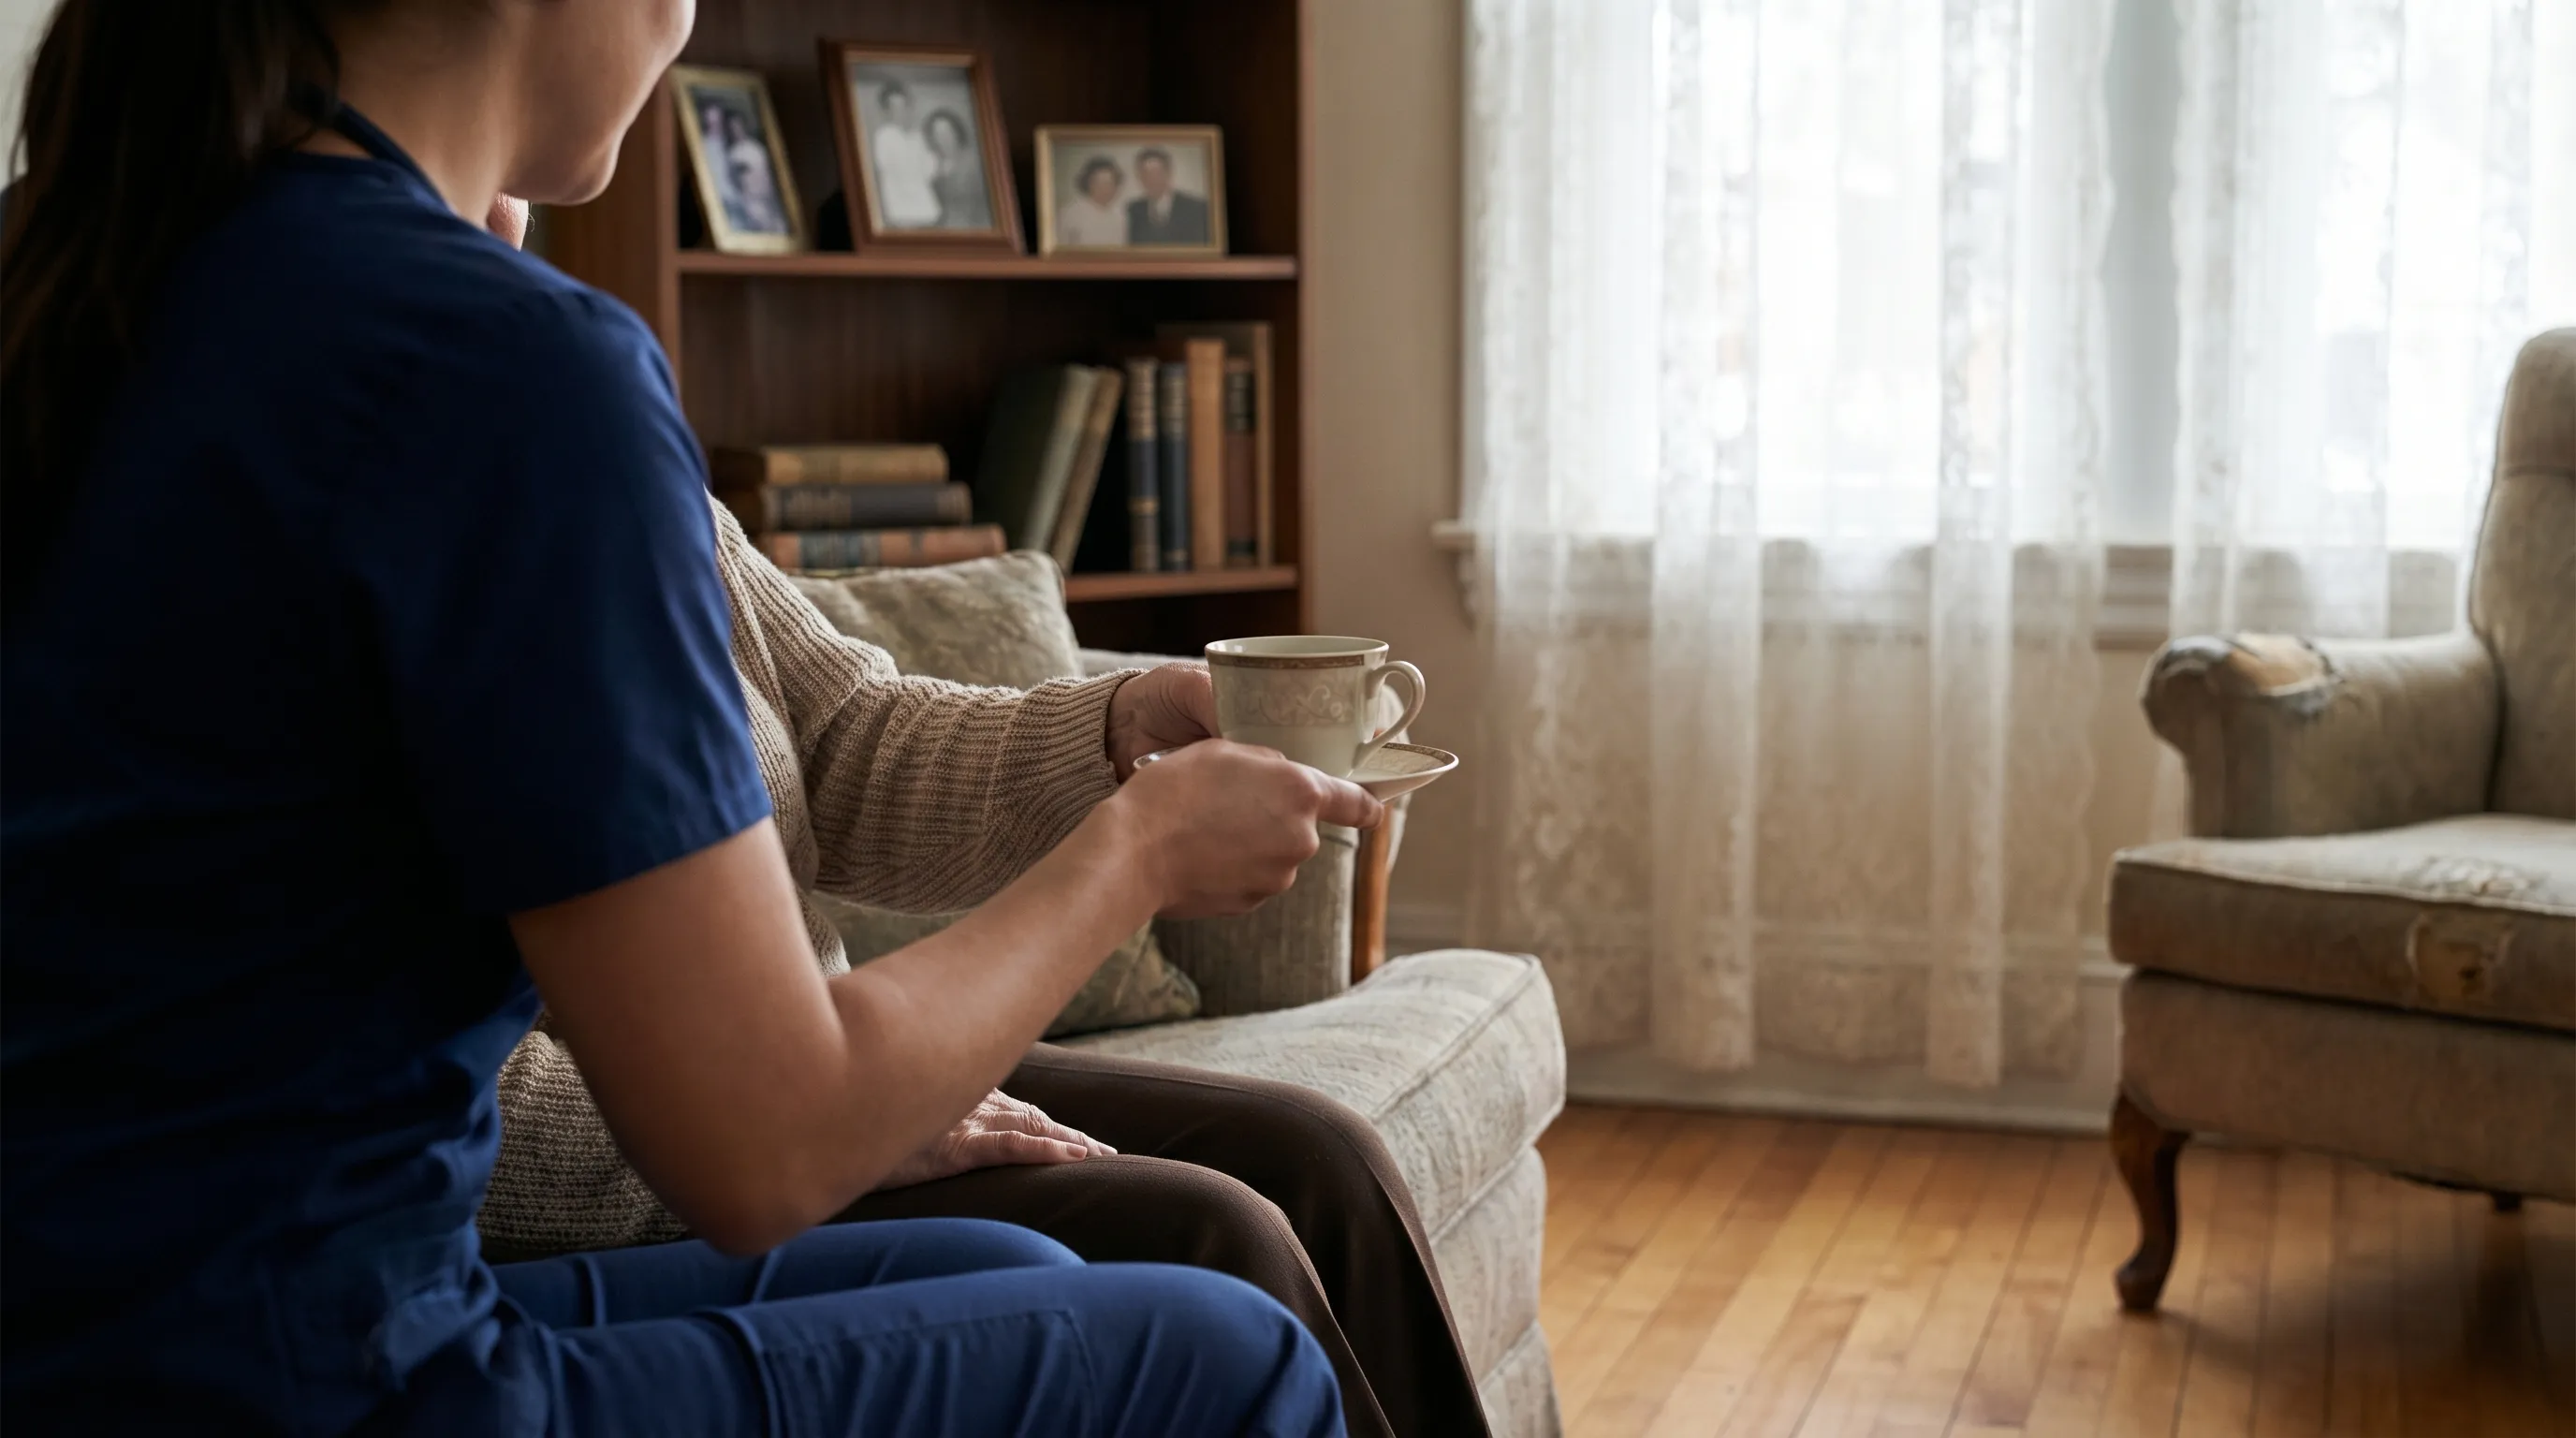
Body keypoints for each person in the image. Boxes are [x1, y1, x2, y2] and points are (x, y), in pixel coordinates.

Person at [0, 3, 1368, 1435]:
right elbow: (766, 1145)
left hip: (103, 1341)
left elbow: (836, 736)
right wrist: (1136, 856)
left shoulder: (90, 267)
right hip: (324, 1381)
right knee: (1231, 1353)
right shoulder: (494, 367)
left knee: (1024, 1266)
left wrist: (1116, 737)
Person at [867, 80, 940, 228]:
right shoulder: (883, 136)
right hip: (900, 209)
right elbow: (886, 167)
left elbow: (929, 172)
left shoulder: (918, 137)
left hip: (926, 207)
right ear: (886, 110)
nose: (899, 112)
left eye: (902, 106)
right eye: (893, 107)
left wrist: (931, 154)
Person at [1128, 147, 1213, 245]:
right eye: (1145, 174)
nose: (1150, 179)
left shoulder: (1197, 208)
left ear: (1169, 173)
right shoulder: (1134, 209)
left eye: (1155, 173)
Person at [722, 108, 784, 234]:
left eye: (738, 126)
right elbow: (732, 180)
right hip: (749, 201)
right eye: (732, 127)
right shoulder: (731, 154)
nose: (736, 130)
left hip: (767, 197)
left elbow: (767, 174)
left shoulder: (758, 149)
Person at [924, 108, 988, 229]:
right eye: (938, 134)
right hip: (942, 230)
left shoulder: (974, 162)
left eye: (947, 132)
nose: (943, 138)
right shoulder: (932, 166)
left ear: (957, 132)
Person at [1059, 155, 1130, 247]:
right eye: (1100, 183)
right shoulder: (1071, 213)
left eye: (1110, 183)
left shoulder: (1120, 216)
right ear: (1088, 183)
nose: (1106, 188)